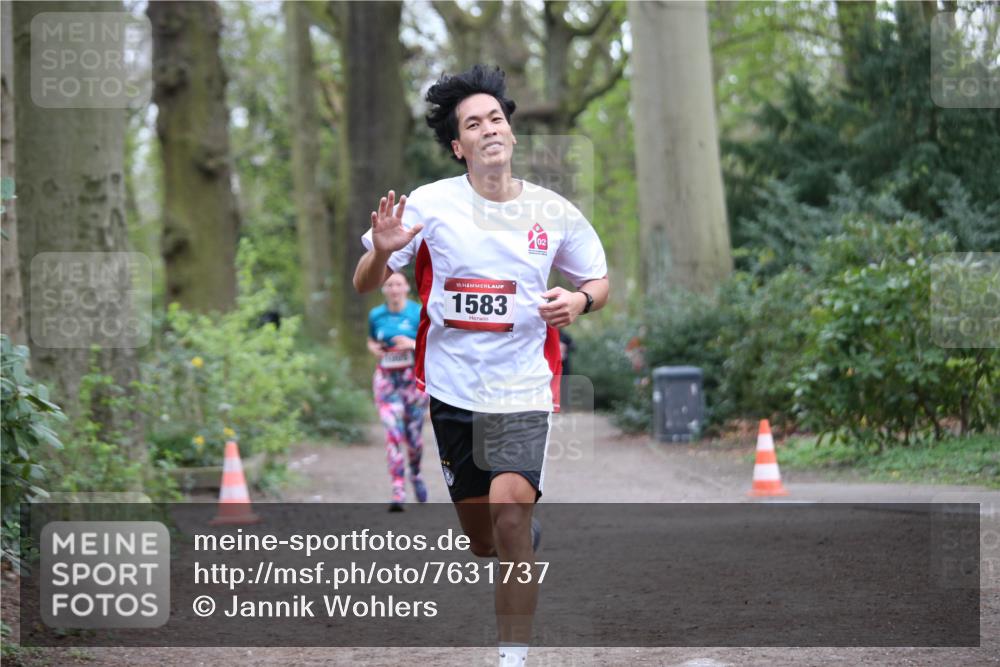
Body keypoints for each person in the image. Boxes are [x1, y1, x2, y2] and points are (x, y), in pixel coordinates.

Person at [353, 64, 609, 667]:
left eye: (496, 118)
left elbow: (599, 280)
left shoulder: (553, 211)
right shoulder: (430, 205)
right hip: (452, 389)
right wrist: (384, 252)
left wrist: (578, 300)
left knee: (510, 511)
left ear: (511, 133)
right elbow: (366, 281)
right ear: (457, 145)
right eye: (474, 123)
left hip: (522, 384)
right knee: (482, 539)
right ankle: (510, 537)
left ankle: (512, 657)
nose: (489, 128)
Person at [367, 271, 429, 512]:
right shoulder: (376, 315)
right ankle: (398, 488)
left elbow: (431, 342)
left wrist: (411, 344)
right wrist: (376, 349)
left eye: (398, 284)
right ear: (384, 290)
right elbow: (371, 340)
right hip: (387, 382)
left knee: (413, 441)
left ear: (406, 288)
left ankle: (416, 474)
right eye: (389, 285)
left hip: (413, 383)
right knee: (393, 435)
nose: (394, 289)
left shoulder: (418, 312)